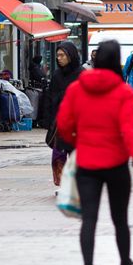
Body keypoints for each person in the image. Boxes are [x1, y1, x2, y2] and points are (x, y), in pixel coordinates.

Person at [56, 39, 133, 265]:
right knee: (120, 220)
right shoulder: (123, 92)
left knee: (89, 220)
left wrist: (78, 141)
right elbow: (131, 130)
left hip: (86, 163)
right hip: (117, 165)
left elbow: (63, 124)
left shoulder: (77, 89)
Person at [45, 41, 83, 188]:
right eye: (57, 55)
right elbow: (49, 97)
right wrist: (47, 119)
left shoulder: (81, 74)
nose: (59, 58)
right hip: (60, 123)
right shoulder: (56, 75)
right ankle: (63, 184)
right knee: (59, 155)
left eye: (62, 55)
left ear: (70, 56)